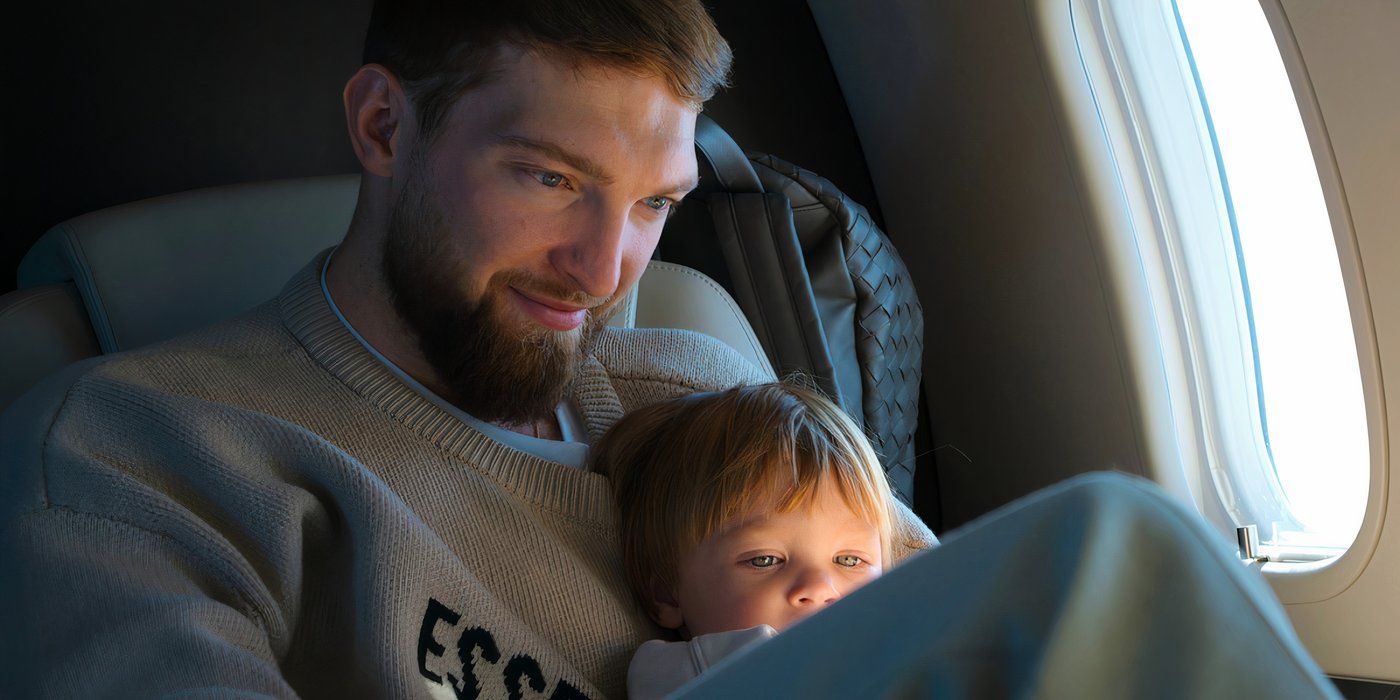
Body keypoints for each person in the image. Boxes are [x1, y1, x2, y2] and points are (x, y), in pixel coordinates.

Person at [0, 0, 1341, 698]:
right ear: (381, 127)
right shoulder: (139, 450)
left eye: (651, 207)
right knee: (1111, 547)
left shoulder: (701, 383)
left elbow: (939, 631)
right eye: (545, 179)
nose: (605, 272)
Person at [594, 382, 917, 698]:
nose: (820, 588)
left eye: (849, 560)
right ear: (667, 594)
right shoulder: (700, 673)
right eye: (764, 560)